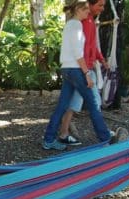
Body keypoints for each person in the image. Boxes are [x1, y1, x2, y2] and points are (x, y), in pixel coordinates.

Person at [43, 0, 114, 150]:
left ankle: (48, 140)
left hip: (67, 69)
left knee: (62, 106)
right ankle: (105, 139)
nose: (88, 12)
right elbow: (78, 54)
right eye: (86, 10)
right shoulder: (76, 26)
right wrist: (87, 74)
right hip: (76, 70)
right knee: (94, 105)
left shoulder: (70, 25)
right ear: (79, 10)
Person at [58, 0, 109, 146]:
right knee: (94, 102)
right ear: (90, 5)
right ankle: (105, 137)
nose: (102, 8)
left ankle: (63, 133)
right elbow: (80, 49)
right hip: (82, 69)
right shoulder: (82, 22)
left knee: (73, 102)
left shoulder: (90, 20)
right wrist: (85, 72)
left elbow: (93, 44)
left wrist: (100, 58)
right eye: (100, 5)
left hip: (84, 68)